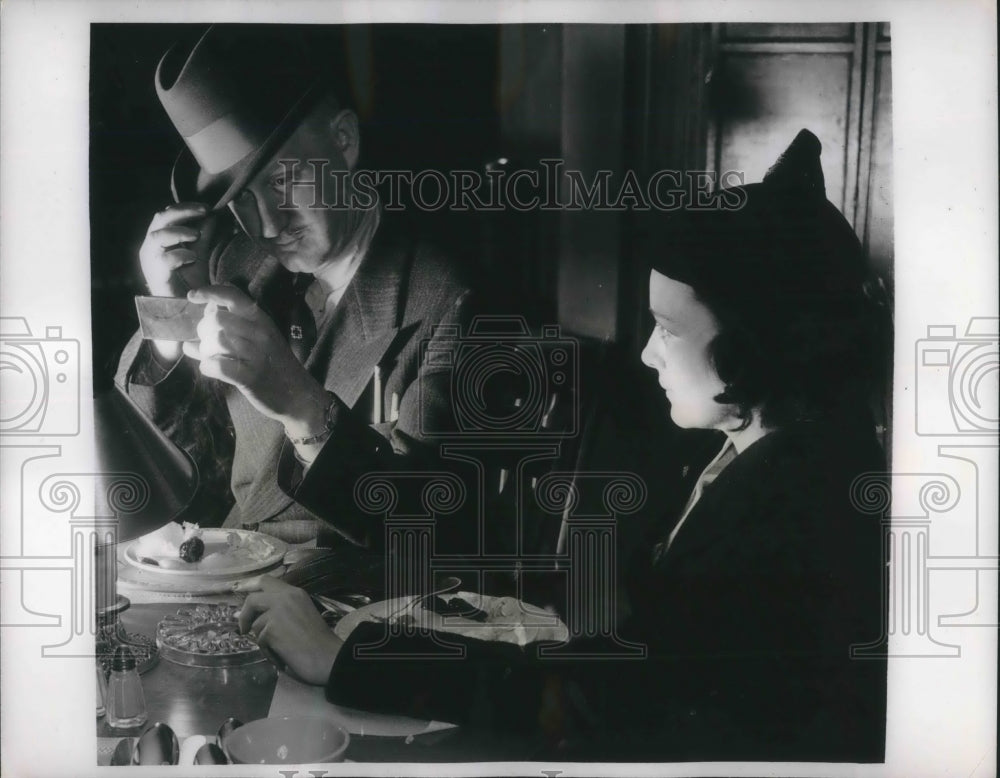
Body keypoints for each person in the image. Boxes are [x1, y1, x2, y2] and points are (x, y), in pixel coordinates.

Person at [235, 130, 890, 761]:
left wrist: (345, 659)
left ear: (753, 350)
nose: (647, 353)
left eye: (668, 331)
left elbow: (604, 700)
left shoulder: (790, 514)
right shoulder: (753, 449)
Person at [115, 26, 477, 547]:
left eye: (283, 181)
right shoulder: (237, 266)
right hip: (238, 571)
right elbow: (168, 468)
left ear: (344, 141)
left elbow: (424, 529)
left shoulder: (449, 297)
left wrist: (303, 407)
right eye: (239, 200)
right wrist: (167, 319)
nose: (265, 225)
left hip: (353, 594)